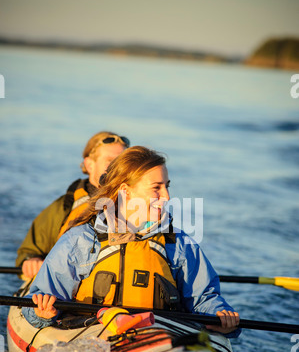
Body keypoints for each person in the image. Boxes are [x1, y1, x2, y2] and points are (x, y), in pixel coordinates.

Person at [23, 146, 240, 337]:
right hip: (91, 338)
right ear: (125, 190)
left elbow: (203, 299)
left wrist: (219, 315)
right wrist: (42, 312)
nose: (166, 196)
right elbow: (40, 298)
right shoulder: (80, 240)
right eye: (156, 187)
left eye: (167, 186)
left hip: (160, 340)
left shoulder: (180, 244)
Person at [16, 131, 130, 279]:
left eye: (122, 162)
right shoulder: (64, 207)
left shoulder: (139, 206)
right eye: (110, 161)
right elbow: (30, 250)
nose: (117, 168)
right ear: (89, 165)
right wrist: (31, 259)